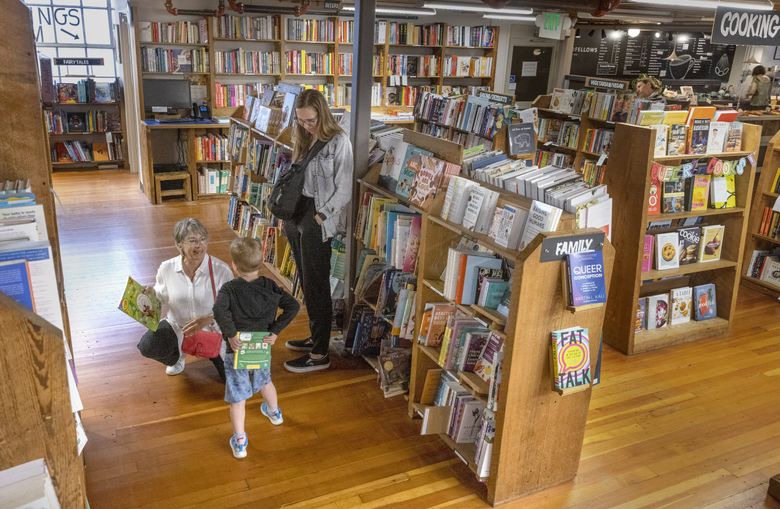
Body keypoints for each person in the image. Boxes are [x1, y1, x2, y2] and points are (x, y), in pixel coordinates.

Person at [282, 89, 353, 373]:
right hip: (296, 214)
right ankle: (316, 336)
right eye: (301, 121)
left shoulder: (339, 142)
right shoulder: (303, 137)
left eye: (310, 120)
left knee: (317, 283)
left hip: (317, 217)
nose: (306, 125)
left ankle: (321, 353)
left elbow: (344, 188)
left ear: (321, 114)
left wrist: (322, 216)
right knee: (305, 280)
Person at [213, 238, 300, 459]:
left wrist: (231, 334)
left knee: (238, 395)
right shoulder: (269, 286)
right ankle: (274, 413)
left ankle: (240, 441)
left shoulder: (229, 289)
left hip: (237, 349)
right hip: (261, 346)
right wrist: (275, 331)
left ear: (234, 265)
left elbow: (219, 311)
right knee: (265, 380)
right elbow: (293, 305)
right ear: (261, 262)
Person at [153, 218, 233, 379]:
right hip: (179, 328)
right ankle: (177, 356)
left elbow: (233, 308)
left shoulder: (221, 270)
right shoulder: (166, 268)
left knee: (229, 378)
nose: (199, 245)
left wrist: (208, 319)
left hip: (211, 331)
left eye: (203, 239)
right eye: (192, 240)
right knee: (148, 344)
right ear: (179, 244)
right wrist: (149, 295)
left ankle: (214, 352)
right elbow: (160, 298)